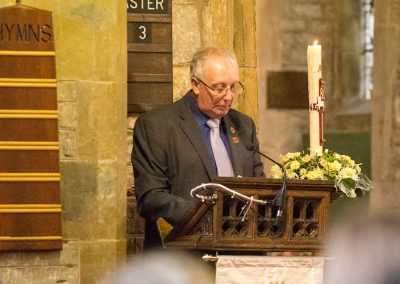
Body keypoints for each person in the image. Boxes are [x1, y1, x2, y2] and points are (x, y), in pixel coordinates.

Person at [132, 46, 265, 249]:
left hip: (239, 255)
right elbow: (151, 197)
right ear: (196, 84)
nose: (229, 96)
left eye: (234, 87)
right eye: (220, 88)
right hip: (183, 257)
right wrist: (207, 217)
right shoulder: (157, 126)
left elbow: (259, 188)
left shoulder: (243, 126)